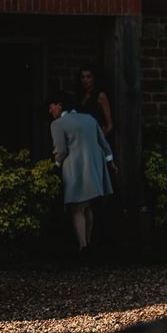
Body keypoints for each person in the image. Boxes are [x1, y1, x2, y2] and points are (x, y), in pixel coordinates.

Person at [48, 91, 118, 254]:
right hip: (93, 168)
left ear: (59, 105)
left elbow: (61, 150)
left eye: (51, 107)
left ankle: (83, 245)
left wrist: (55, 165)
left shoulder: (58, 124)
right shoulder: (90, 119)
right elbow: (104, 145)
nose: (50, 111)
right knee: (87, 207)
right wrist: (111, 164)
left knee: (77, 209)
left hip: (74, 170)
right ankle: (89, 242)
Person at [76, 64, 114, 138]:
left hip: (94, 137)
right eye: (82, 77)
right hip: (82, 137)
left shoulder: (100, 96)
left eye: (88, 77)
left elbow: (110, 125)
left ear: (94, 78)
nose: (85, 80)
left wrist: (100, 137)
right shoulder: (80, 96)